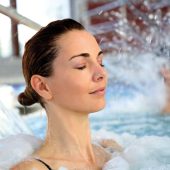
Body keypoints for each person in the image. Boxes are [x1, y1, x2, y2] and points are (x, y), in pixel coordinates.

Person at [11, 19, 122, 170]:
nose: (101, 73)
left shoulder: (111, 151)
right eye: (81, 66)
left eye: (100, 62)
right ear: (43, 87)